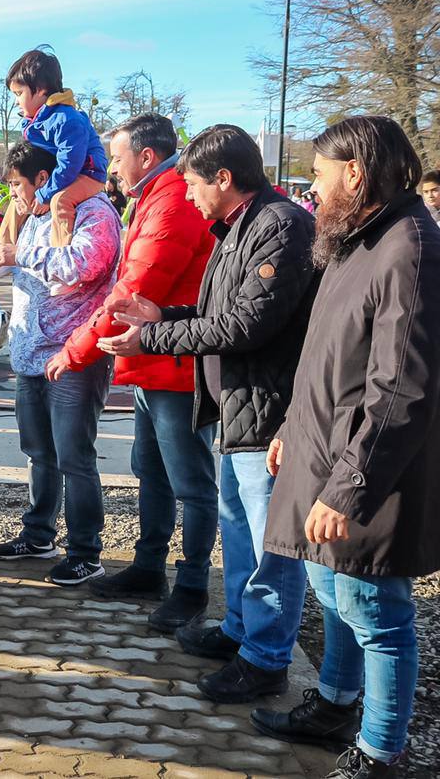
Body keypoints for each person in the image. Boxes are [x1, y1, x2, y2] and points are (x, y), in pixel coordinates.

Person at [101, 124, 319, 703]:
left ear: (225, 179)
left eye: (194, 183)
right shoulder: (238, 228)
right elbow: (216, 307)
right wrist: (162, 311)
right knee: (240, 531)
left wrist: (154, 337)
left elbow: (247, 324)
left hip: (265, 411)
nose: (190, 196)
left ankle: (266, 658)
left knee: (271, 546)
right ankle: (243, 632)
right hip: (237, 408)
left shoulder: (281, 226)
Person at [252, 116, 440, 778]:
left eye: (323, 174)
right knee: (331, 590)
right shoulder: (359, 236)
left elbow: (400, 387)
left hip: (366, 468)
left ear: (355, 174)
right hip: (324, 447)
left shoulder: (408, 246)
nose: (315, 187)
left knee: (375, 610)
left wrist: (348, 487)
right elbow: (328, 356)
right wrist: (289, 429)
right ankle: (335, 702)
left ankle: (381, 751)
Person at [54, 114, 218, 633]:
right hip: (153, 360)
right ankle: (149, 568)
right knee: (151, 470)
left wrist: (75, 350)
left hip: (177, 363)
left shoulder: (171, 202)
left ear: (146, 157)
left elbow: (133, 292)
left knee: (190, 482)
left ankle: (192, 584)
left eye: (117, 159)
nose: (111, 171)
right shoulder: (157, 196)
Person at [0, 142, 120, 586]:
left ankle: (86, 551)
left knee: (75, 458)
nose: (10, 195)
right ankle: (39, 534)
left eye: (15, 184)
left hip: (72, 355)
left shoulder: (93, 211)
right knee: (39, 454)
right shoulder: (33, 216)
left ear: (42, 178)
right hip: (29, 354)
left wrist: (20, 255)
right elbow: (11, 257)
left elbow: (86, 265)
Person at [6, 48, 108, 246]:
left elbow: (69, 164)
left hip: (87, 173)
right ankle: (3, 250)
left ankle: (60, 251)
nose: (16, 101)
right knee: (17, 201)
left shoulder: (66, 119)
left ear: (41, 89)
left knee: (60, 201)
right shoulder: (33, 122)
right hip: (61, 173)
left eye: (19, 93)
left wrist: (45, 194)